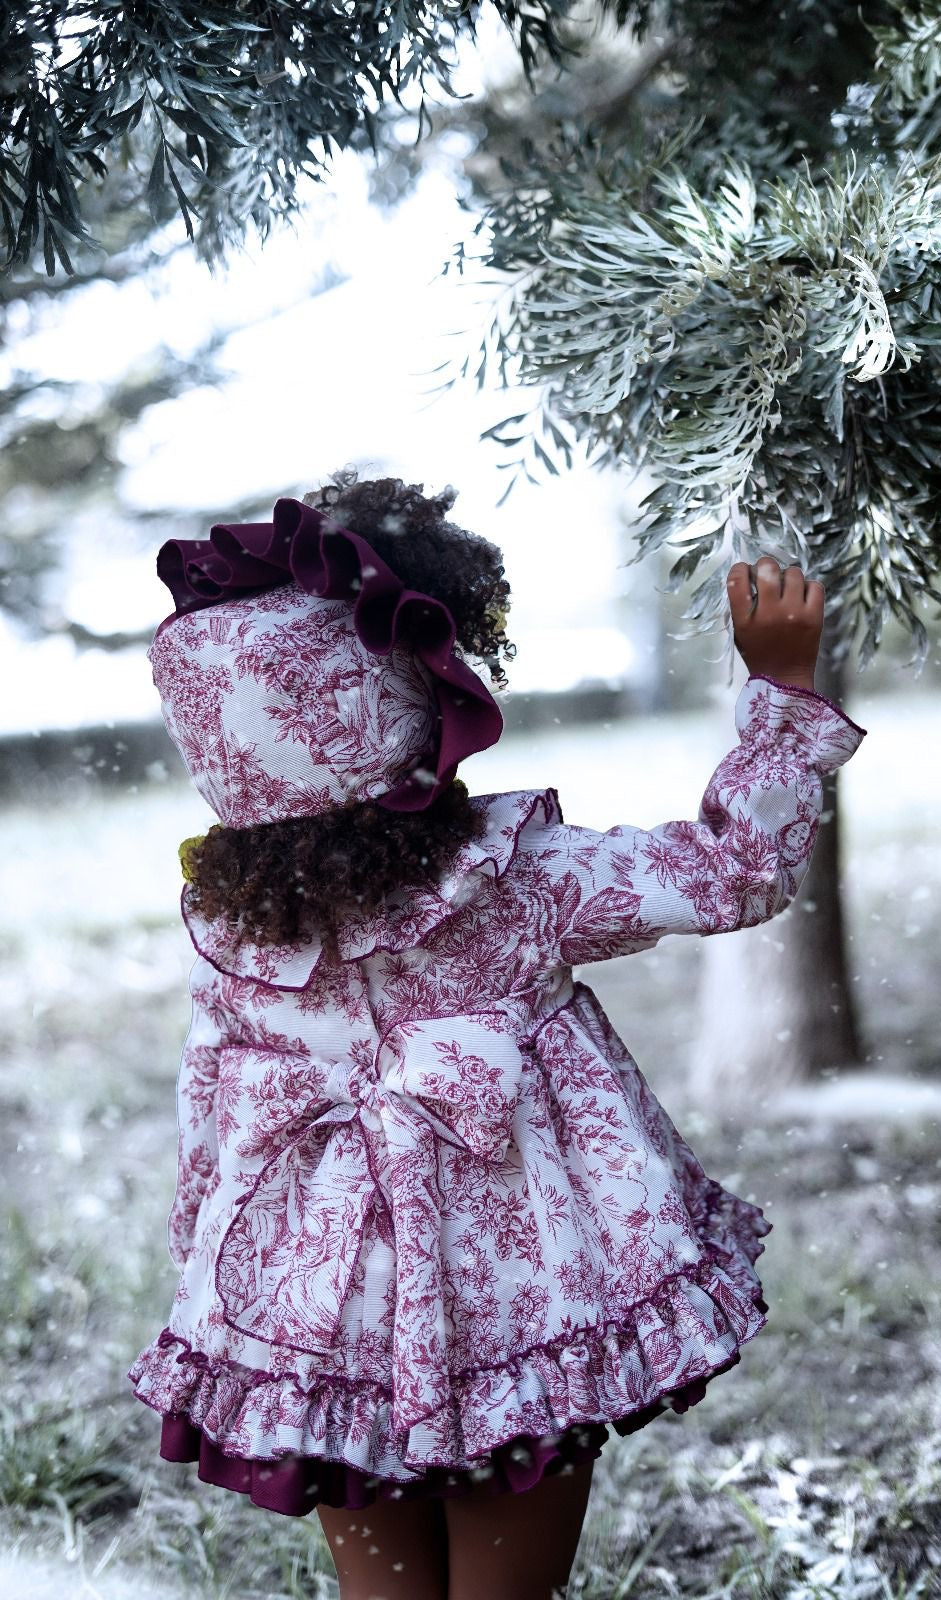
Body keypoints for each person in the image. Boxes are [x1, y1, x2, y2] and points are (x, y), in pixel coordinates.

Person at [127, 469, 868, 1600]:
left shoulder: (232, 929)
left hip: (325, 1310)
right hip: (523, 1300)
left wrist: (211, 1257)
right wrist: (779, 695)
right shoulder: (516, 880)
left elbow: (212, 1107)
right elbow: (733, 873)